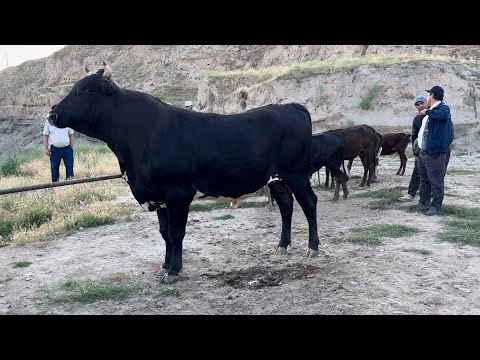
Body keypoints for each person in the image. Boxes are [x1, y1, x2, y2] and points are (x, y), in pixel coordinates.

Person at [415, 85, 453, 216]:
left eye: (428, 95)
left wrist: (427, 112)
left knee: (436, 180)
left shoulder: (443, 108)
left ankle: (436, 205)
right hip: (424, 152)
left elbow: (443, 115)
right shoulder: (431, 110)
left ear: (432, 95)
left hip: (435, 153)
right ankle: (423, 201)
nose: (427, 97)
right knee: (424, 179)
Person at [399, 95, 428, 201]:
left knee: (433, 174)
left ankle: (431, 195)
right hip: (421, 150)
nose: (420, 106)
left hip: (433, 149)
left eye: (422, 103)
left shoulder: (434, 115)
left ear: (426, 102)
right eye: (417, 104)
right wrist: (415, 154)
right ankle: (411, 194)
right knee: (417, 171)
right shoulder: (416, 119)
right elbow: (414, 137)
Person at [43, 105, 75, 182]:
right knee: (54, 168)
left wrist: (71, 147)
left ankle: (70, 184)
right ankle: (55, 186)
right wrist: (46, 149)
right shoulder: (48, 122)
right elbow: (45, 135)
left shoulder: (67, 121)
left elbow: (71, 135)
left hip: (67, 148)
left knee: (69, 167)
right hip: (54, 149)